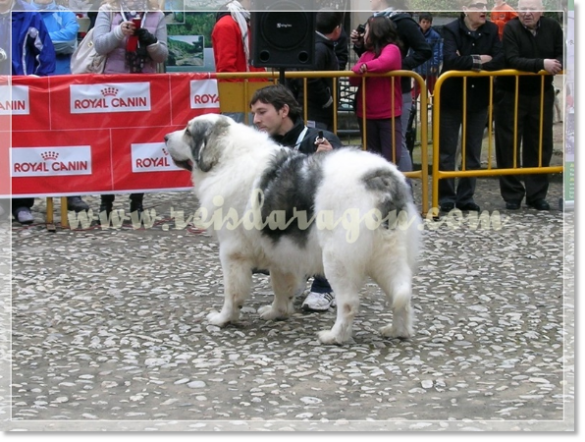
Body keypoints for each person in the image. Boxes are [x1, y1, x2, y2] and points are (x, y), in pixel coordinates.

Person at [249, 84, 342, 312]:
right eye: (253, 114)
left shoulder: (319, 140)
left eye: (262, 112)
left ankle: (326, 284)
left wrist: (328, 161)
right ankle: (294, 276)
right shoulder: (259, 147)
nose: (255, 120)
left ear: (284, 111)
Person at [93, 0, 168, 217]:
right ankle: (106, 202)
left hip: (144, 89)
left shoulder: (156, 15)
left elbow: (163, 54)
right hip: (113, 90)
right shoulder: (107, 11)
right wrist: (119, 32)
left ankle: (137, 201)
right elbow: (99, 46)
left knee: (141, 144)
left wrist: (151, 41)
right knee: (111, 146)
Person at [494, 0, 563, 211]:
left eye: (532, 9)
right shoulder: (512, 28)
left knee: (540, 143)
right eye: (523, 9)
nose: (527, 13)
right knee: (508, 144)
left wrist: (557, 63)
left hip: (541, 92)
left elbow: (563, 54)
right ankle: (512, 195)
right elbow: (513, 59)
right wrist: (542, 64)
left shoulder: (552, 27)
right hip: (511, 92)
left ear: (541, 11)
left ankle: (537, 194)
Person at [438, 0, 504, 213]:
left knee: (473, 151)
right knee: (447, 151)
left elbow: (499, 59)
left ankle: (466, 196)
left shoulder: (492, 30)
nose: (484, 10)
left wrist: (466, 60)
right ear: (465, 9)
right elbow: (449, 60)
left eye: (485, 5)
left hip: (479, 99)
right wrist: (479, 60)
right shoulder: (450, 29)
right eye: (478, 5)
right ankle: (446, 197)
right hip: (451, 98)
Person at [350, 0, 431, 173]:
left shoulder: (403, 21)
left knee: (396, 146)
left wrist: (399, 66)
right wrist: (359, 44)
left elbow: (424, 50)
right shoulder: (372, 20)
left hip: (397, 92)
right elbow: (369, 55)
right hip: (372, 94)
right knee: (373, 150)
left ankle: (404, 191)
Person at [32, 0, 91, 214]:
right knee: (28, 141)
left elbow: (69, 43)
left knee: (66, 141)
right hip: (31, 84)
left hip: (61, 84)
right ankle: (22, 200)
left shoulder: (65, 14)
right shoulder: (22, 13)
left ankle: (72, 194)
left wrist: (36, 42)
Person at [1, 0, 56, 224]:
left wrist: (40, 86)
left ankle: (21, 203)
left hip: (20, 94)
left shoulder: (29, 14)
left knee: (21, 147)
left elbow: (46, 54)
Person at [350, 15, 403, 164]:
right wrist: (361, 69)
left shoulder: (392, 49)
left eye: (366, 31)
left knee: (390, 159)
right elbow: (353, 78)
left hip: (388, 114)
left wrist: (365, 68)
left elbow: (385, 62)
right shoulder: (367, 54)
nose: (363, 34)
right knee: (371, 160)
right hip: (366, 114)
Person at [211, 0, 266, 124]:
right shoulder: (227, 25)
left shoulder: (248, 22)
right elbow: (226, 69)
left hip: (254, 95)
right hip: (240, 99)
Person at [288, 10, 343, 131]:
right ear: (337, 29)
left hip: (316, 110)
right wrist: (327, 100)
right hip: (315, 111)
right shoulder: (320, 48)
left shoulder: (317, 45)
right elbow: (310, 76)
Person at [412, 12, 443, 100]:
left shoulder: (435, 36)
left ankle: (436, 105)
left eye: (428, 22)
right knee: (416, 88)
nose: (425, 24)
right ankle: (412, 106)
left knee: (433, 87)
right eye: (423, 22)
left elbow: (438, 52)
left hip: (430, 66)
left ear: (431, 23)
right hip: (418, 66)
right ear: (419, 22)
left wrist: (435, 65)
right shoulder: (415, 34)